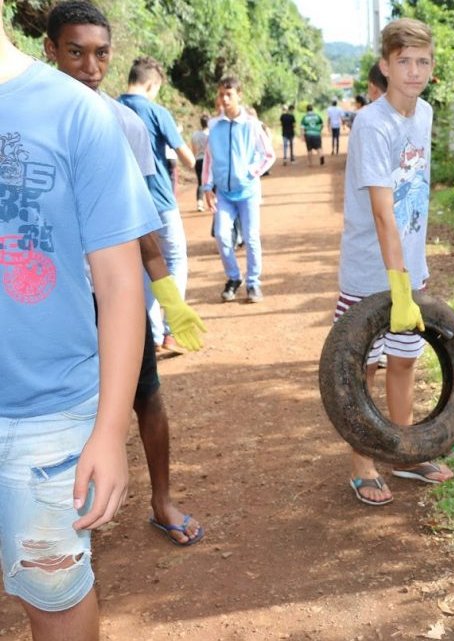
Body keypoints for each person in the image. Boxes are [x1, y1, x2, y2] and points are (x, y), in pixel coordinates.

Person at [0, 1, 161, 636]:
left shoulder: (77, 114)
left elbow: (122, 283)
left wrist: (109, 431)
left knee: (52, 590)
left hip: (43, 418)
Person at [44, 0, 207, 547]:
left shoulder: (126, 124)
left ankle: (161, 500)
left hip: (114, 297)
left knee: (145, 396)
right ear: (50, 51)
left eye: (101, 54)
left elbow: (140, 224)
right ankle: (59, 522)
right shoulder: (25, 119)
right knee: (56, 409)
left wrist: (167, 294)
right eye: (76, 52)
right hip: (50, 300)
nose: (90, 67)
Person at [337, 17, 453, 507]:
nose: (414, 71)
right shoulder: (371, 123)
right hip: (371, 270)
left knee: (404, 359)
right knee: (362, 368)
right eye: (403, 61)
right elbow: (384, 214)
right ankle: (363, 462)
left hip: (410, 265)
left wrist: (413, 273)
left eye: (423, 61)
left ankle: (404, 452)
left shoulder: (423, 114)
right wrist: (398, 284)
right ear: (385, 66)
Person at [118, 56, 196, 355]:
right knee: (174, 259)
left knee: (140, 267)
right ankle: (172, 332)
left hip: (125, 205)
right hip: (160, 200)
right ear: (151, 84)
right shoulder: (155, 111)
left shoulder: (109, 107)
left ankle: (149, 335)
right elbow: (185, 156)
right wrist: (202, 176)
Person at [202, 75, 276, 304]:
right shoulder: (214, 126)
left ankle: (253, 283)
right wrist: (207, 187)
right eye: (221, 94)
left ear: (239, 95)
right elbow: (208, 158)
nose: (224, 99)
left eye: (229, 94)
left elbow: (268, 155)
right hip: (224, 193)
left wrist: (250, 172)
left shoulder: (252, 125)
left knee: (251, 237)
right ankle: (234, 278)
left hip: (248, 192)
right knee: (223, 236)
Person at [190, 115, 209, 212]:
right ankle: (216, 200)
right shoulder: (210, 133)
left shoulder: (195, 135)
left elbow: (193, 149)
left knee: (200, 183)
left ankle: (200, 203)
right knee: (211, 181)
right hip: (208, 160)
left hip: (198, 159)